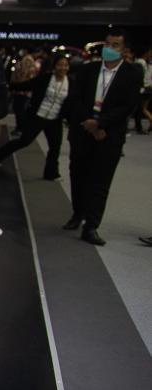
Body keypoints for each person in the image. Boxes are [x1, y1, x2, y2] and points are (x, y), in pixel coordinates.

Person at [61, 28, 143, 246]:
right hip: (83, 130)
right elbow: (76, 98)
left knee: (100, 182)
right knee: (78, 175)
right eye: (108, 44)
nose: (110, 48)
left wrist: (101, 123)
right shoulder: (89, 70)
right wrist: (89, 122)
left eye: (115, 45)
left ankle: (91, 226)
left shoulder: (133, 73)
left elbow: (128, 106)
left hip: (109, 134)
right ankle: (77, 214)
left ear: (124, 50)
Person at [0, 53, 71, 179]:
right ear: (54, 66)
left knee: (55, 147)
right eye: (60, 65)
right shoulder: (46, 78)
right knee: (24, 141)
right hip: (38, 116)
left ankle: (51, 173)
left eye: (66, 65)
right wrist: (8, 86)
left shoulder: (71, 82)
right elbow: (28, 85)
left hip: (55, 119)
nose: (63, 68)